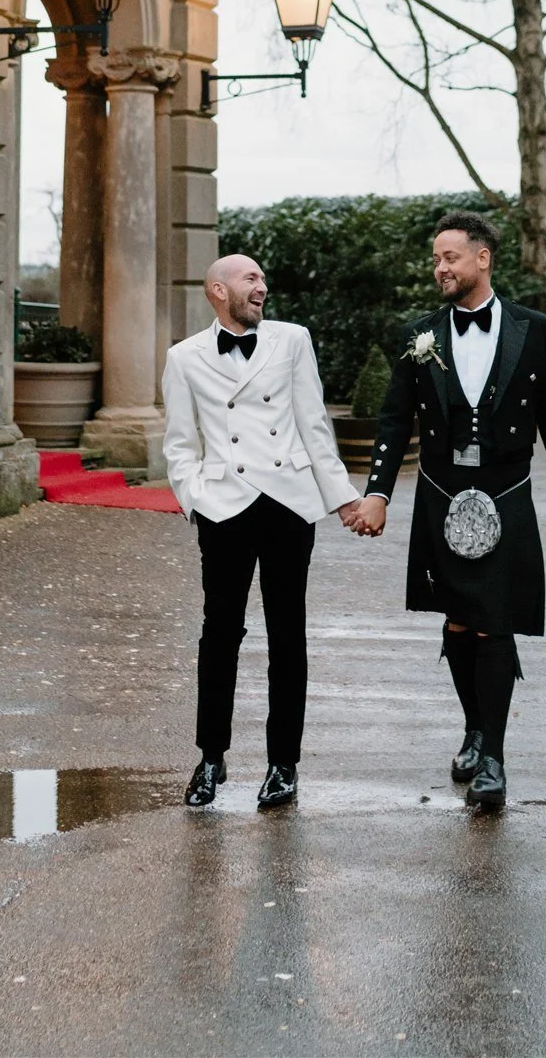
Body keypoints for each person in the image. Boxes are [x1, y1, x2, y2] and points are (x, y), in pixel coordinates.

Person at [352, 210, 546, 813]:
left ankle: (495, 759)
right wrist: (377, 492)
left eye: (450, 257)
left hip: (507, 493)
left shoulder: (534, 330)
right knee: (458, 621)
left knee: (495, 620)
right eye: (436, 258)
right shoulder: (419, 333)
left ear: (483, 258)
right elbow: (393, 419)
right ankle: (475, 728)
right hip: (439, 490)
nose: (440, 267)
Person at [162, 253, 362, 811]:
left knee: (287, 636)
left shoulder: (292, 340)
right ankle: (210, 755)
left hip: (287, 504)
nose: (262, 287)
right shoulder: (184, 358)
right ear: (217, 291)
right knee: (219, 634)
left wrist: (342, 496)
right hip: (224, 507)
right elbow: (179, 443)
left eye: (263, 279)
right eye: (251, 279)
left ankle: (283, 765)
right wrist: (194, 498)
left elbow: (314, 423)